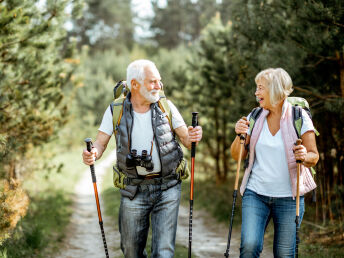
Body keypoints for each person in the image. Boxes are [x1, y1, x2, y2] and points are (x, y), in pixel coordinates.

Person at [82, 59, 202, 258]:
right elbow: (100, 143)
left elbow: (187, 140)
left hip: (168, 187)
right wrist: (92, 153)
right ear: (135, 84)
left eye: (159, 81)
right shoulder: (116, 110)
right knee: (131, 251)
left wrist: (195, 135)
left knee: (163, 253)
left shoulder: (166, 106)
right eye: (152, 81)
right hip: (133, 189)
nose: (159, 86)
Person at [230, 68, 319, 258]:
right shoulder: (254, 116)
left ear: (275, 90)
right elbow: (237, 156)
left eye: (260, 88)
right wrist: (239, 135)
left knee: (285, 254)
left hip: (289, 197)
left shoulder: (299, 117)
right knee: (249, 246)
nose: (256, 93)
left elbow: (314, 156)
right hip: (256, 193)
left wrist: (304, 155)